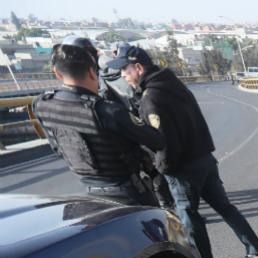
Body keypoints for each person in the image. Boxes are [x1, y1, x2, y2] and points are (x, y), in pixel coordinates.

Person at [109, 43, 258, 258]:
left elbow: (162, 140)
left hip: (182, 167)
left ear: (138, 67)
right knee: (224, 207)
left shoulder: (151, 97)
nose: (122, 75)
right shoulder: (170, 84)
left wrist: (163, 169)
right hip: (204, 158)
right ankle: (255, 248)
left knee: (188, 214)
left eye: (125, 69)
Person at [33, 43, 165, 206]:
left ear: (57, 74)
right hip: (128, 192)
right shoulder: (106, 110)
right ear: (92, 71)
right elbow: (156, 140)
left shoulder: (42, 105)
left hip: (91, 193)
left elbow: (57, 148)